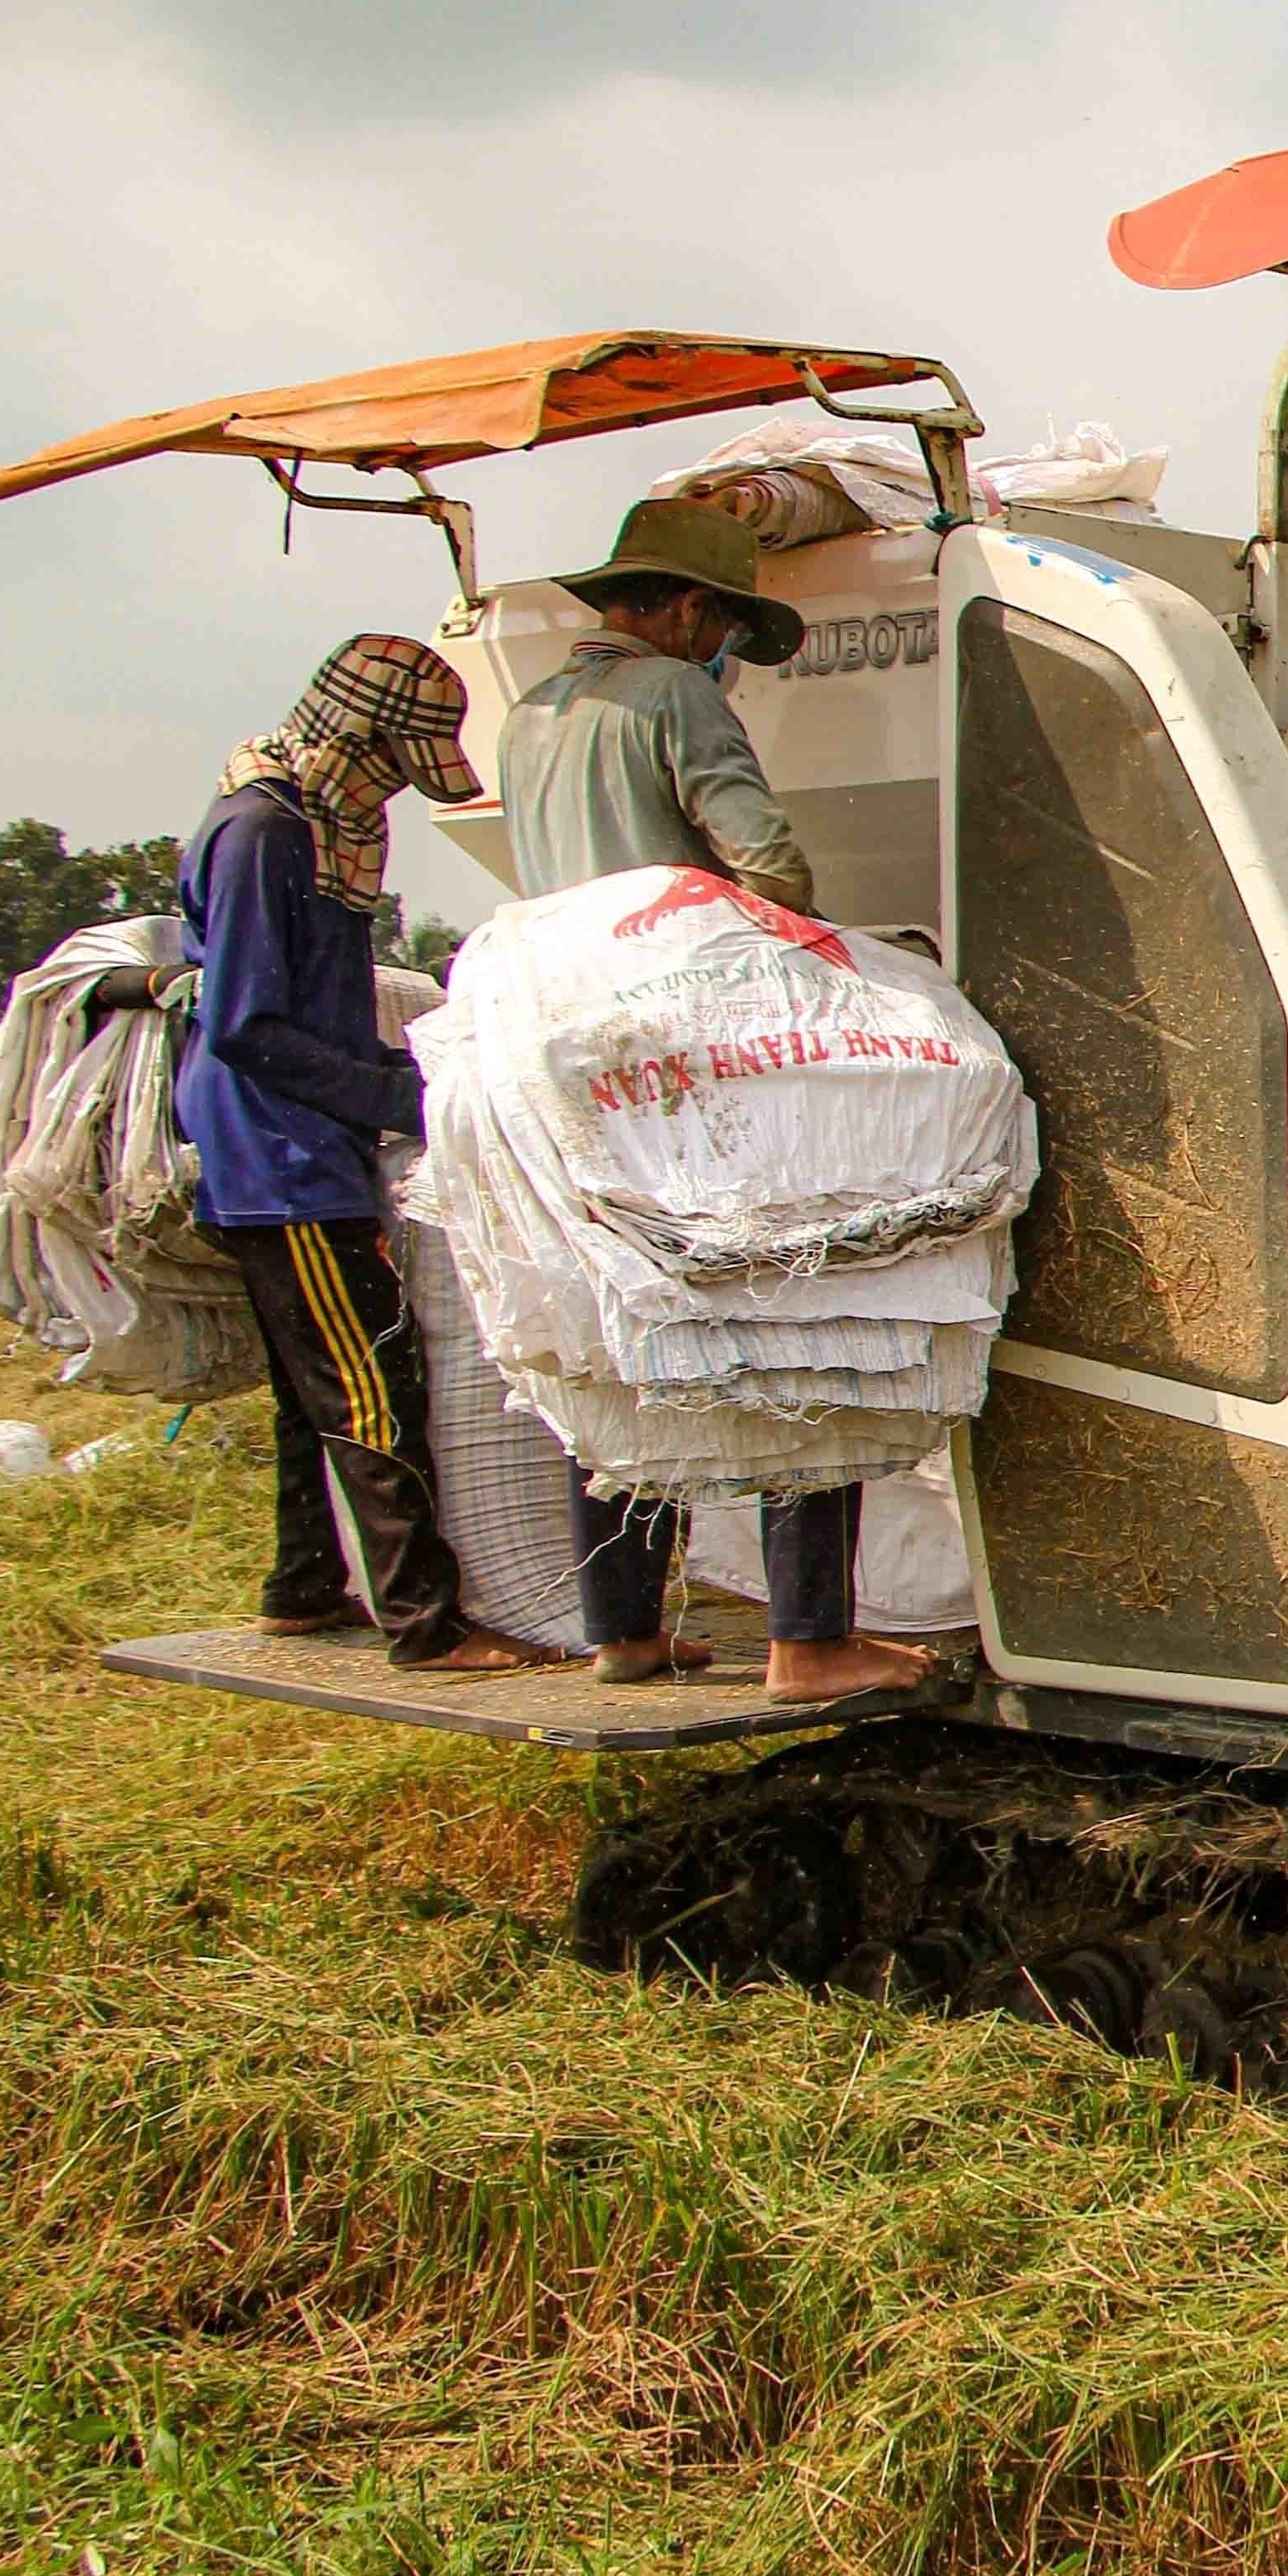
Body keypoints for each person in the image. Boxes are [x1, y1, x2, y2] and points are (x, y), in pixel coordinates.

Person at [497, 499, 929, 1705]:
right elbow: (766, 859)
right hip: (691, 1055)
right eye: (727, 625)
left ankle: (623, 1631)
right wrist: (832, 973)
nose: (726, 649)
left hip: (575, 1059)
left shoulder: (531, 717)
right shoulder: (672, 696)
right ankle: (809, 1641)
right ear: (690, 609)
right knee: (807, 1313)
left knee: (621, 1345)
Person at [162, 636, 550, 1674]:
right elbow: (246, 1024)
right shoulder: (266, 834)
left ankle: (302, 1588)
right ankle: (427, 1624)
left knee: (310, 1393)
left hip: (285, 1137)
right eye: (392, 767)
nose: (393, 795)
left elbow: (306, 1014)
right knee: (372, 1385)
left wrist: (420, 1067)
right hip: (281, 1154)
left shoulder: (296, 827)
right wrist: (396, 1097)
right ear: (355, 740)